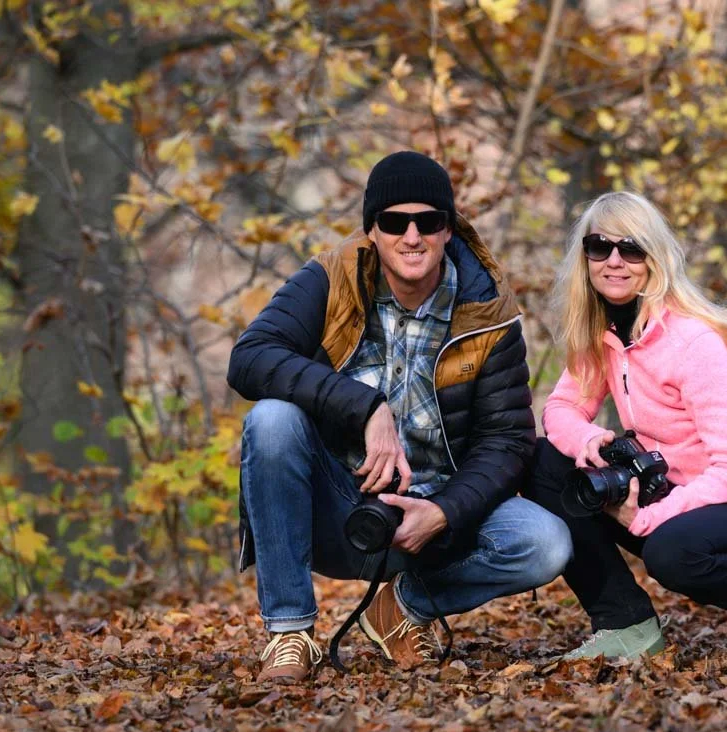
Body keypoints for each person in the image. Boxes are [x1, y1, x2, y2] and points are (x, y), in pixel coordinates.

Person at [227, 151, 571, 683]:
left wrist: (445, 511)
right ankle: (290, 634)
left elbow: (508, 441)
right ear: (372, 230)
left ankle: (402, 607)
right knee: (271, 419)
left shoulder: (488, 312)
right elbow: (249, 359)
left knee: (546, 543)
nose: (412, 237)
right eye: (394, 222)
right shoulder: (330, 280)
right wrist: (365, 407)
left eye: (428, 222)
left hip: (434, 524)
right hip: (335, 508)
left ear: (449, 231)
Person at [524, 191, 727, 660]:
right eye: (600, 247)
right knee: (543, 461)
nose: (615, 261)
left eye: (632, 248)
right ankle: (627, 624)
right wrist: (590, 440)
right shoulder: (604, 335)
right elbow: (560, 408)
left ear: (654, 259)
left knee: (670, 553)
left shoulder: (694, 342)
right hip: (684, 493)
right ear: (586, 259)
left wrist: (647, 517)